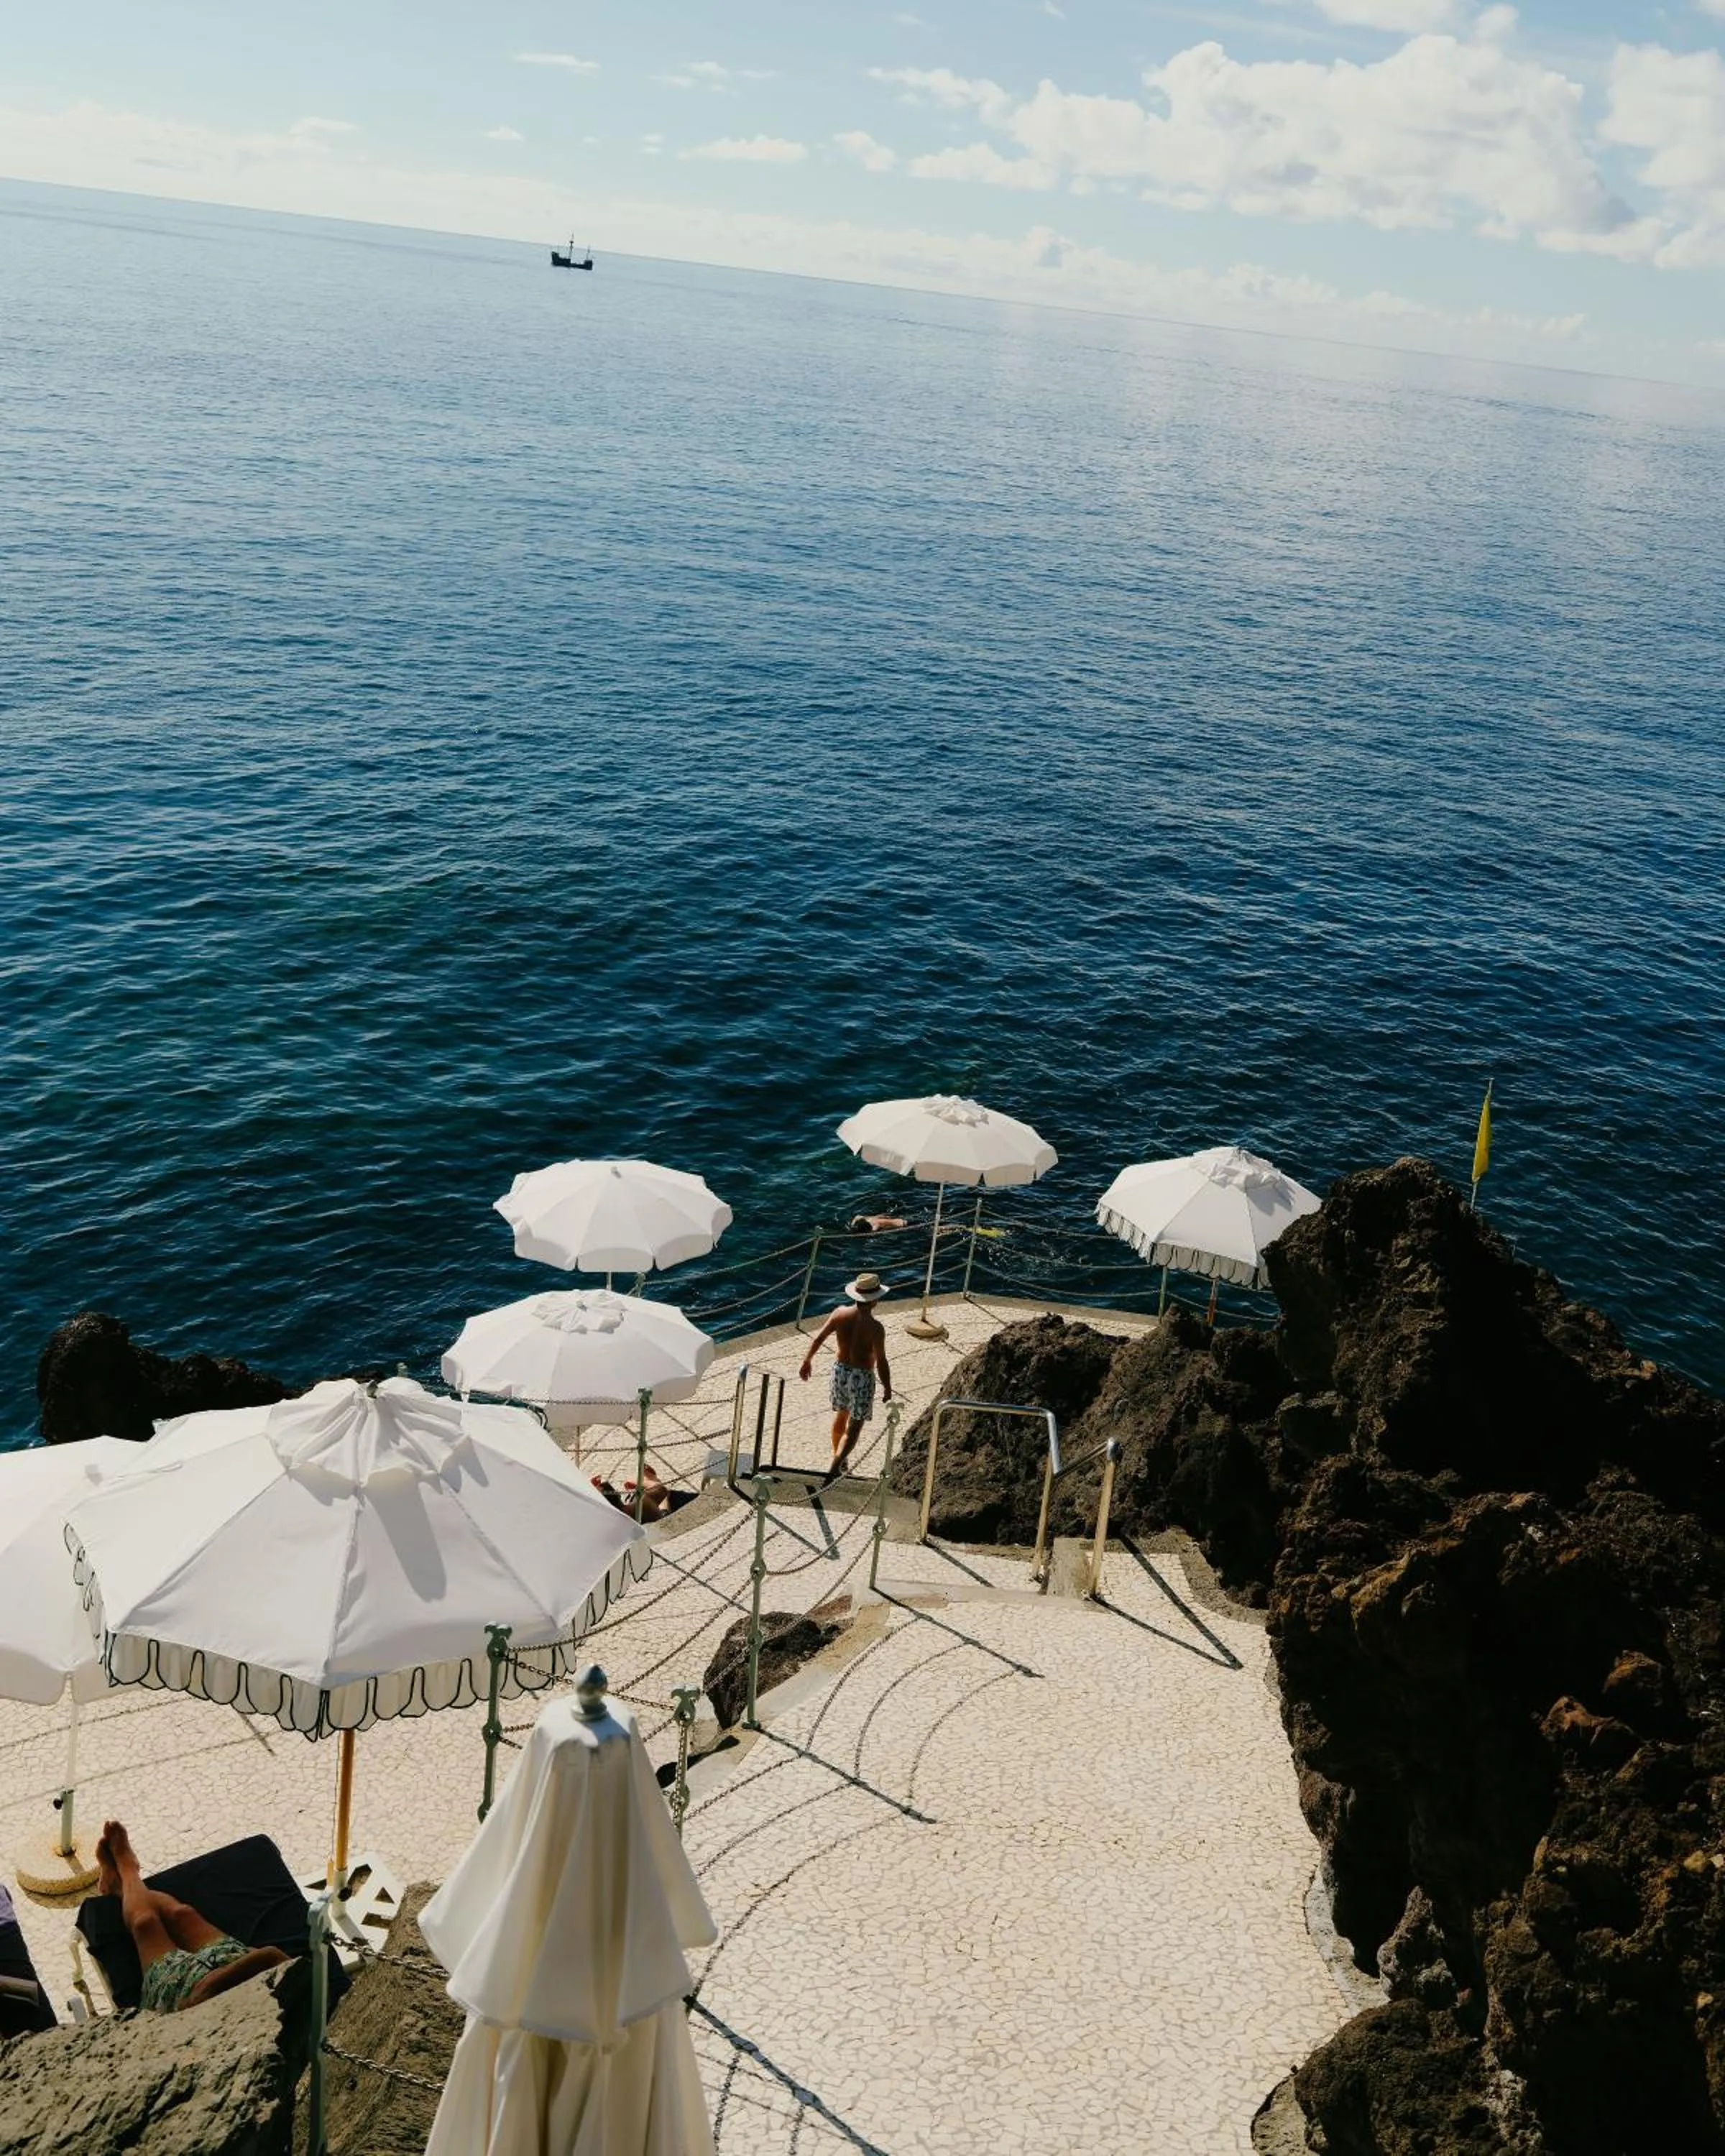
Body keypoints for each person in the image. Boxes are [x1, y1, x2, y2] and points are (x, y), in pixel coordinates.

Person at [95, 1820, 287, 2013]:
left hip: (178, 1993)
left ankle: (127, 1871)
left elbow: (200, 1996)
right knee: (182, 1913)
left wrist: (266, 1957)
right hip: (236, 1965)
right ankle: (123, 1885)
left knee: (145, 1923)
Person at [799, 1272, 893, 1481]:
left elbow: (819, 1338)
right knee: (855, 1426)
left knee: (842, 1414)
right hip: (862, 1376)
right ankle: (835, 1467)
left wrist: (807, 1360)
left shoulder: (839, 1313)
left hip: (840, 1371)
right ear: (875, 1300)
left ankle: (837, 1457)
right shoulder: (876, 1328)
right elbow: (881, 1361)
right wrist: (887, 1387)